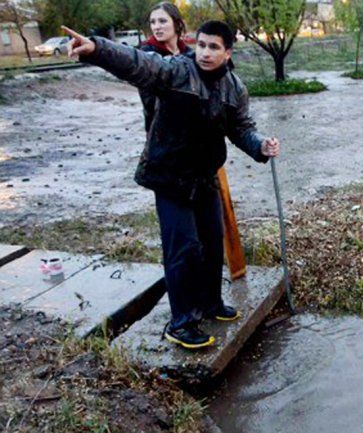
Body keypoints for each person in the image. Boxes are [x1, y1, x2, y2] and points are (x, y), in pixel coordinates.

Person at [63, 21, 281, 350]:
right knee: (183, 249)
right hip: (168, 175)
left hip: (204, 177)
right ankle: (180, 322)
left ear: (227, 52)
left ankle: (210, 303)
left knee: (210, 243)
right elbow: (136, 63)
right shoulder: (175, 72)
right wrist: (97, 49)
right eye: (202, 45)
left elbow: (240, 128)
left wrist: (260, 146)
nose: (205, 53)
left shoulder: (235, 88)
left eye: (214, 48)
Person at [139, 2, 192, 132]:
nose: (156, 27)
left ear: (177, 24)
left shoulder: (189, 53)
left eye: (162, 21)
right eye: (153, 22)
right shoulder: (147, 53)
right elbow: (149, 99)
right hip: (160, 130)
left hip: (190, 127)